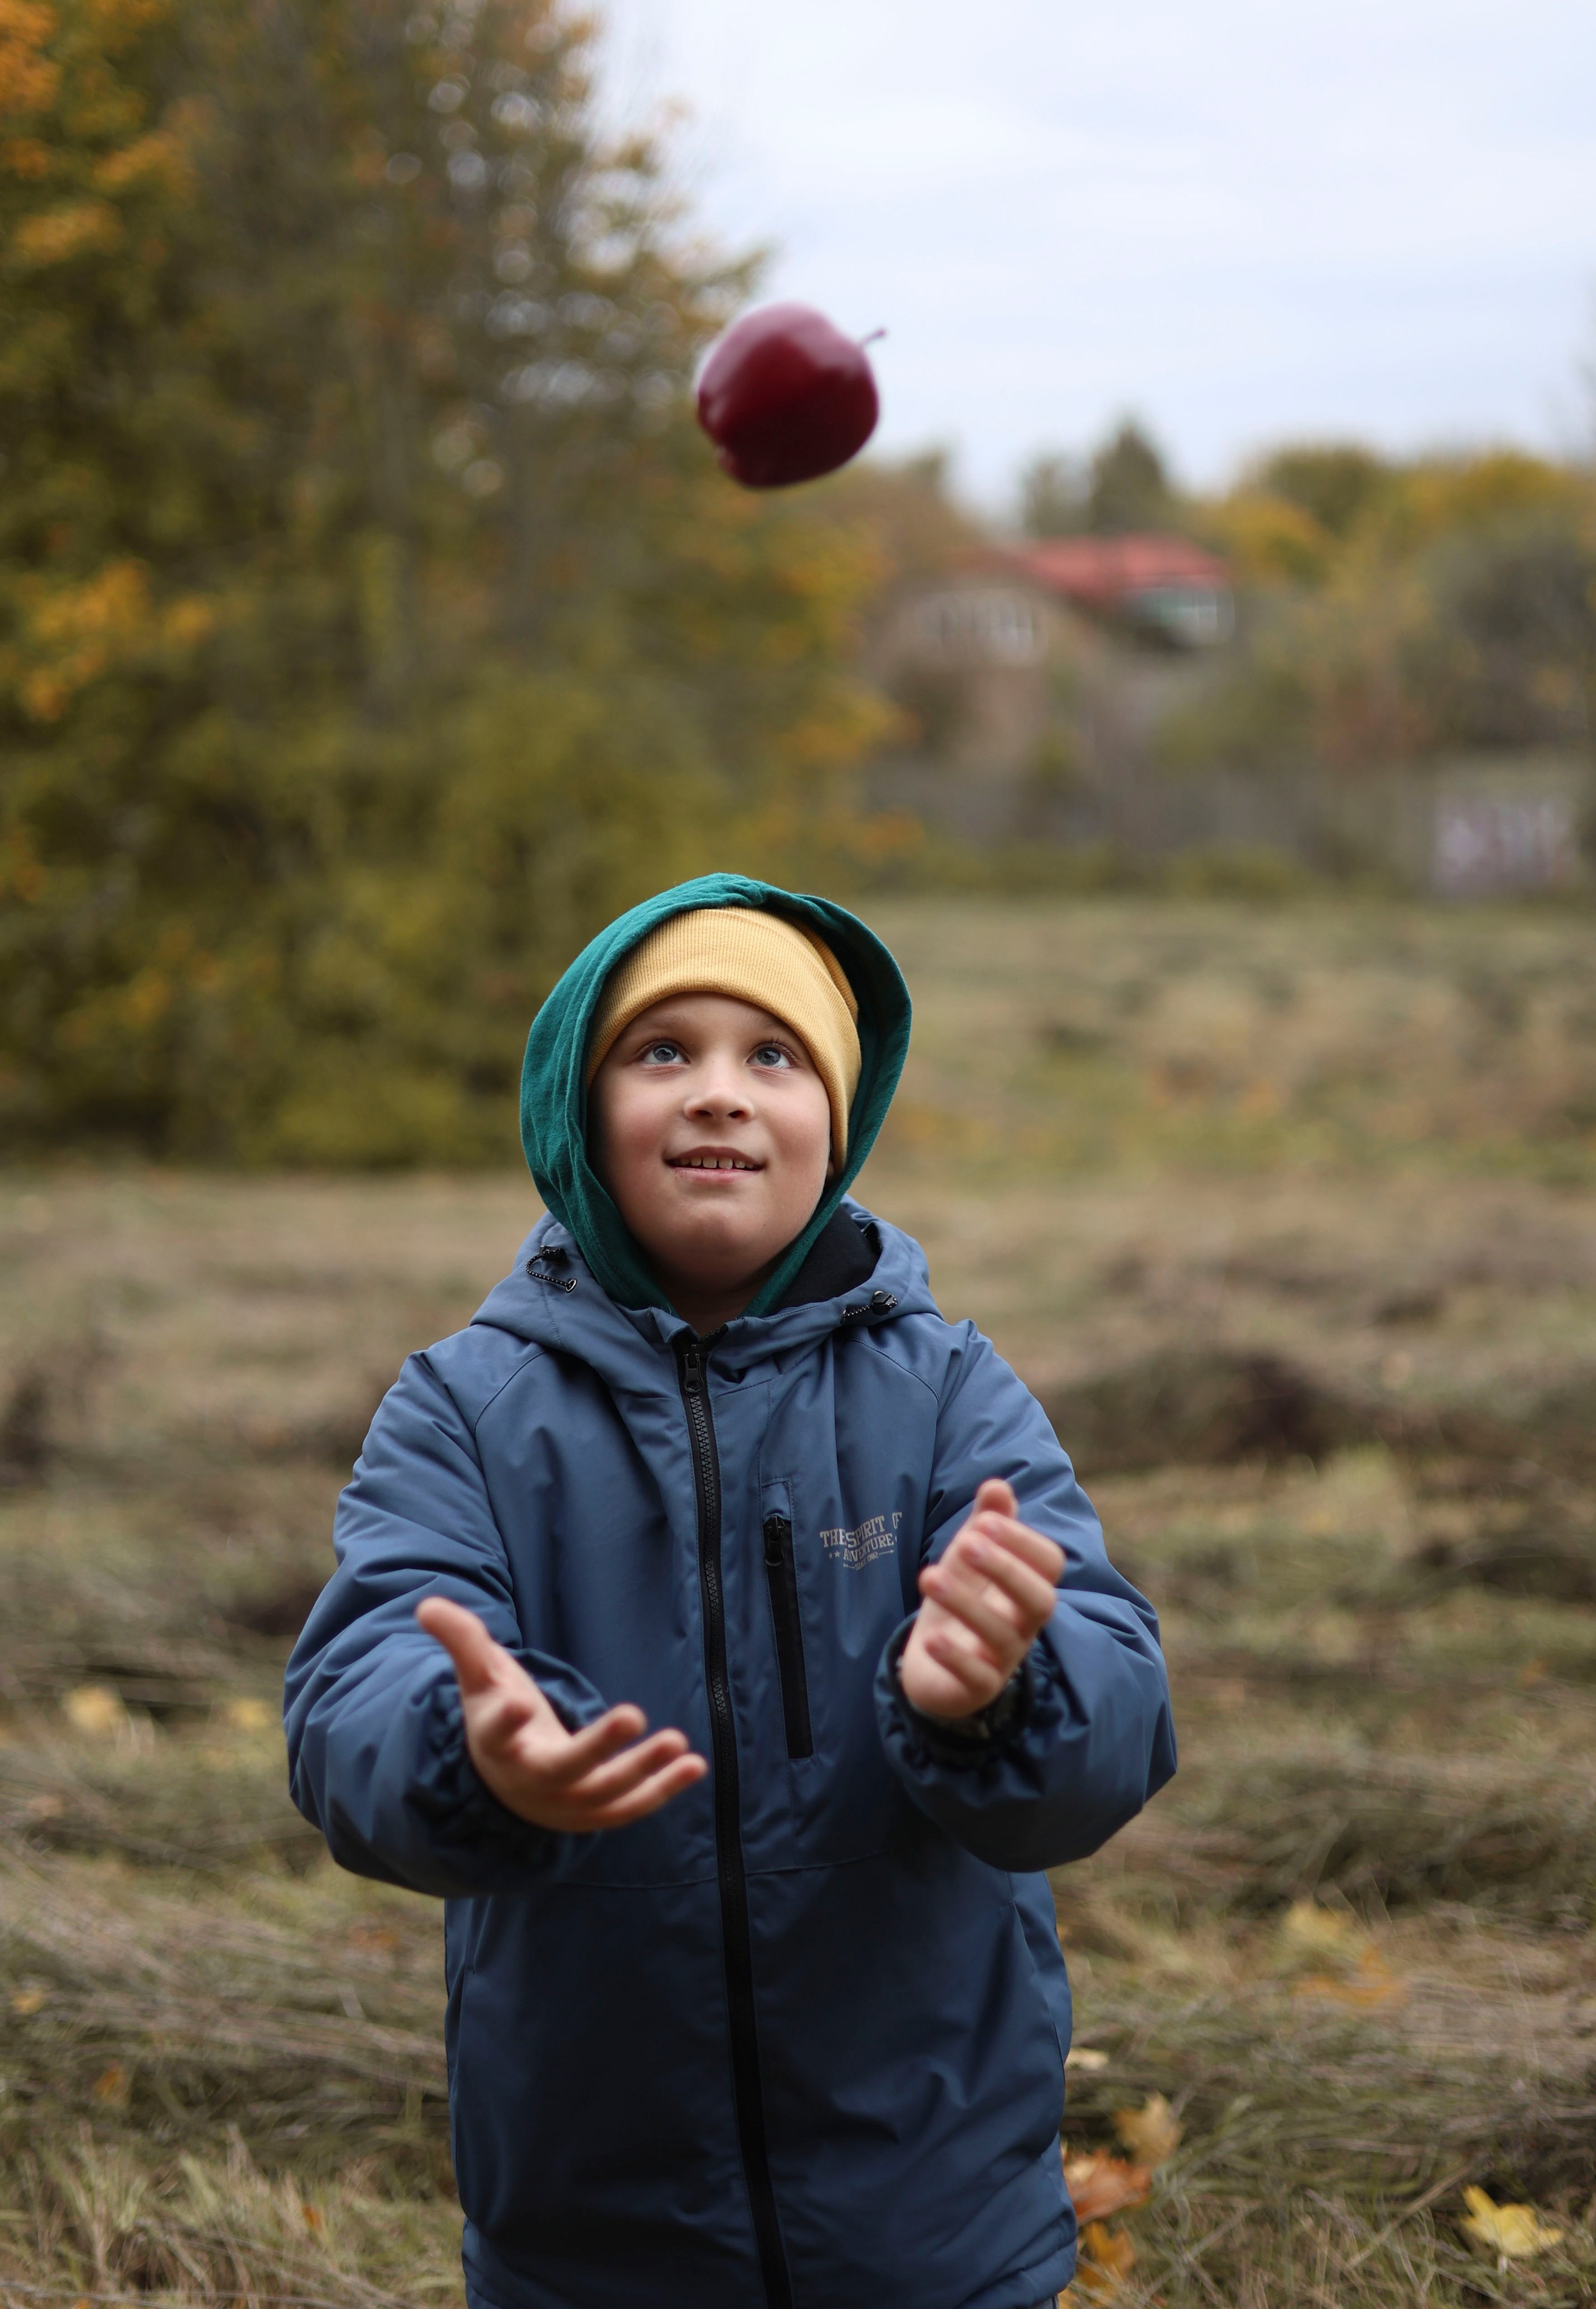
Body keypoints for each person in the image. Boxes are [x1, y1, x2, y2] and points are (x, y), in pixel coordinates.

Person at [285, 872, 1176, 2309]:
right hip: (589, 2224)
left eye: (770, 1056)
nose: (717, 1093)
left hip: (931, 2216)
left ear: (838, 1120)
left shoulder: (948, 1388)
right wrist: (472, 1753)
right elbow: (352, 1695)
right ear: (580, 1112)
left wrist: (1002, 1691)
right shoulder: (464, 1407)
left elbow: (1115, 1711)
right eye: (661, 1052)